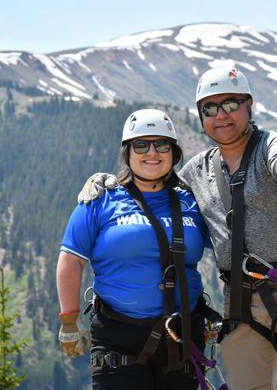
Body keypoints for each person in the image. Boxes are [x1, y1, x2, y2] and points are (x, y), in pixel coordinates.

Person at [79, 67, 277, 390]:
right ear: (201, 116)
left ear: (249, 105)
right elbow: (155, 184)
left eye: (230, 104)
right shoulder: (198, 171)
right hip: (241, 300)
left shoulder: (269, 145)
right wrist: (108, 183)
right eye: (210, 108)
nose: (222, 115)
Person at [56, 109, 214, 390]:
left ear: (173, 153)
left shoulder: (192, 201)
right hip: (118, 339)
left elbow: (229, 242)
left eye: (161, 145)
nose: (152, 152)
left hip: (182, 338)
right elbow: (71, 260)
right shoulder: (101, 200)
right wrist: (69, 321)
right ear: (127, 153)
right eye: (141, 145)